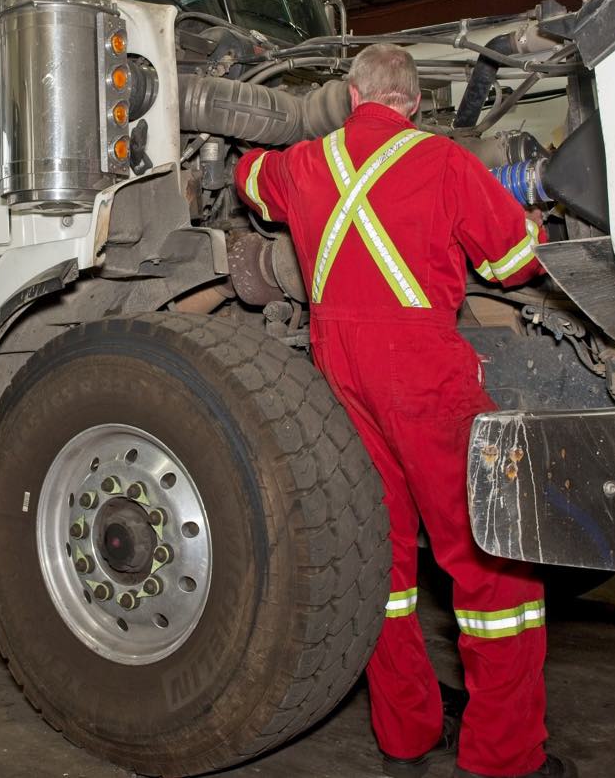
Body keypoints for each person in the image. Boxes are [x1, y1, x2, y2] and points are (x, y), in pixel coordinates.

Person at [233, 43, 572, 778]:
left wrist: (257, 148)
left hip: (340, 374)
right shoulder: (450, 164)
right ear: (414, 103)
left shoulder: (304, 164)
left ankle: (406, 734)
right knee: (493, 563)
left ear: (354, 96)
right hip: (425, 377)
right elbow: (515, 262)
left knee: (380, 564)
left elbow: (248, 180)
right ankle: (504, 757)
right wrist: (537, 214)